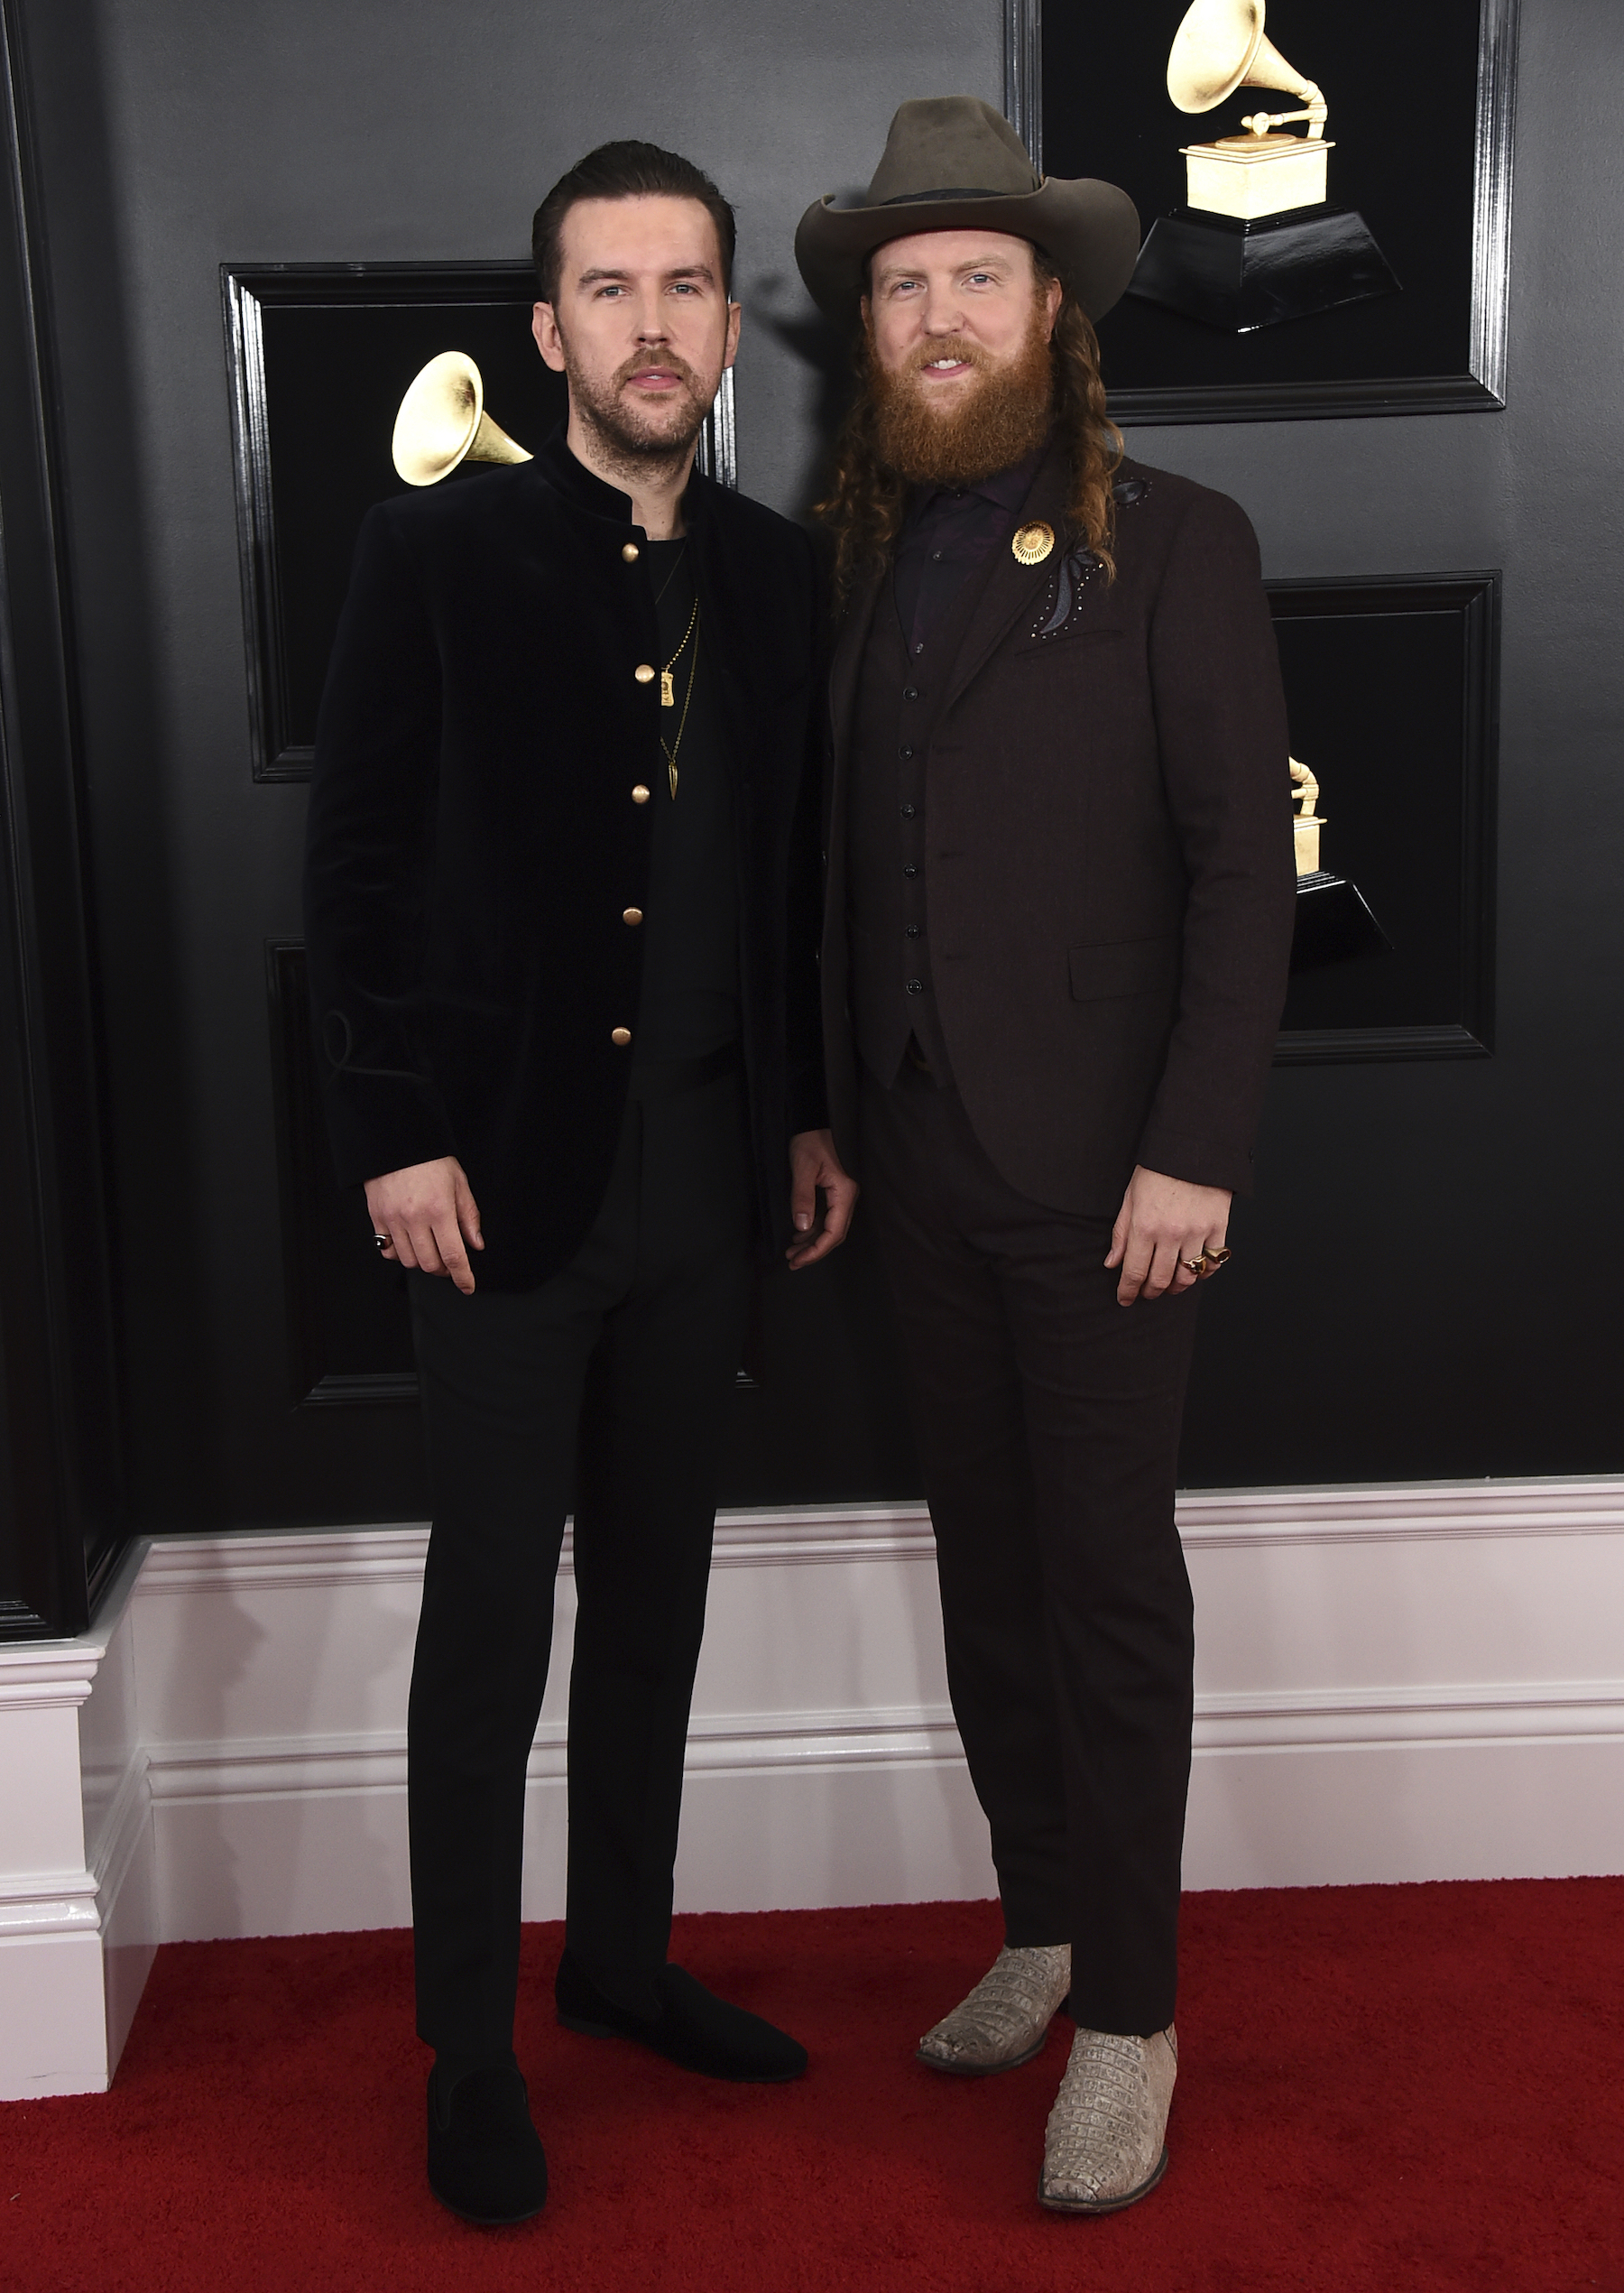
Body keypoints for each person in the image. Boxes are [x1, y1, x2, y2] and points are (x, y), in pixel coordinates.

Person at [305, 138, 856, 2227]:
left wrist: (802, 1112)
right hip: (505, 1184)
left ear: (727, 327)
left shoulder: (782, 571)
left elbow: (786, 880)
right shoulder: (429, 559)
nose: (651, 323)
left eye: (687, 286)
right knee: (488, 1636)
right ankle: (469, 2048)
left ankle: (621, 1967)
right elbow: (351, 872)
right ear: (547, 332)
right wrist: (394, 1131)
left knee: (657, 1606)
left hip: (713, 1177)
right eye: (608, 288)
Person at [796, 97, 1296, 2214]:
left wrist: (1195, 1149)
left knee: (1105, 1590)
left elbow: (1237, 875)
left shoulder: (1177, 540)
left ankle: (1135, 2013)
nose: (933, 314)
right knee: (987, 1573)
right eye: (901, 284)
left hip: (1113, 1181)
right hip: (911, 1151)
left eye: (972, 277)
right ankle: (1044, 1920)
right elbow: (834, 865)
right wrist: (827, 1098)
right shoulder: (845, 549)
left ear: (1053, 314)